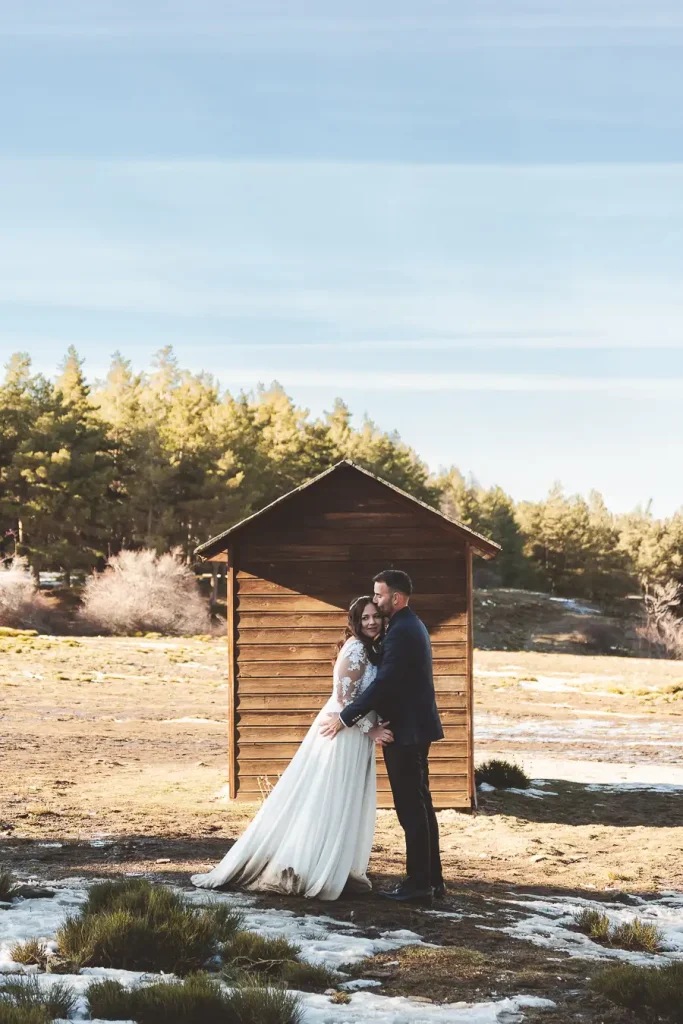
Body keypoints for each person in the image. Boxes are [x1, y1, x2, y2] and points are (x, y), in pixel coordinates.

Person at [191, 596, 393, 900]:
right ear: (355, 620)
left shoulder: (370, 649)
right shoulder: (354, 649)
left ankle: (333, 862)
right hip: (344, 733)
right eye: (365, 618)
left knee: (344, 798)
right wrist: (371, 729)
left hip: (354, 736)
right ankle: (307, 864)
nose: (371, 622)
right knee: (329, 796)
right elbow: (343, 700)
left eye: (375, 616)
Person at [320, 569, 445, 905]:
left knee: (411, 810)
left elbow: (385, 685)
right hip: (416, 728)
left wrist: (346, 717)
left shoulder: (402, 631)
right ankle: (432, 879)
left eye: (379, 595)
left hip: (404, 732)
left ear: (396, 598)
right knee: (421, 805)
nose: (374, 600)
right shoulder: (410, 625)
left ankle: (419, 884)